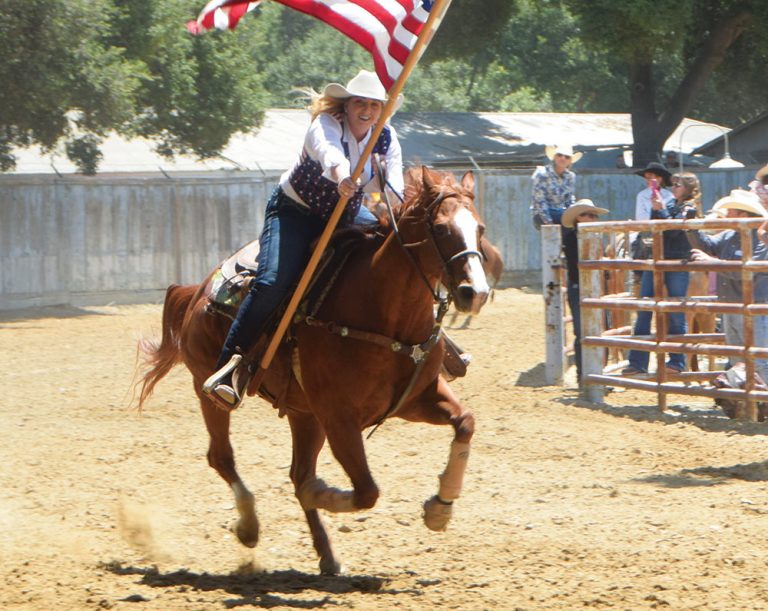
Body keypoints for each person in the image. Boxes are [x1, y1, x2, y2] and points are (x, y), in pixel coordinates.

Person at [204, 69, 404, 408]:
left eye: (374, 104)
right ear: (347, 104)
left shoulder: (386, 138)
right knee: (272, 281)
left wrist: (399, 209)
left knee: (393, 257)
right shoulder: (326, 124)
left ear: (382, 109)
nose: (367, 111)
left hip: (344, 213)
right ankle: (228, 366)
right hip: (295, 212)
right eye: (360, 103)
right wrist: (343, 177)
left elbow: (395, 188)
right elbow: (330, 155)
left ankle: (426, 344)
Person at [622, 172, 698, 376]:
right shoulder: (673, 205)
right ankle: (639, 362)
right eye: (673, 184)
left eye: (678, 185)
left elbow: (672, 230)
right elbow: (657, 227)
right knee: (645, 309)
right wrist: (659, 210)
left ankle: (675, 361)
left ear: (688, 189)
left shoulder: (689, 209)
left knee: (674, 310)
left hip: (674, 261)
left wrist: (660, 210)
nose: (673, 188)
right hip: (660, 259)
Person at [688, 190, 768, 378]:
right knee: (738, 357)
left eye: (731, 211)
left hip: (754, 305)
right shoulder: (730, 236)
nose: (727, 214)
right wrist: (691, 228)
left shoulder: (761, 240)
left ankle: (762, 400)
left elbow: (746, 271)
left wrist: (711, 262)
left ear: (743, 214)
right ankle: (749, 401)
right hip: (733, 305)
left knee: (758, 360)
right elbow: (706, 245)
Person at [560, 199, 609, 383]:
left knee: (599, 330)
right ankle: (584, 374)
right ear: (578, 218)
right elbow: (578, 263)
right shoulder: (572, 238)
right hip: (579, 287)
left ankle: (598, 372)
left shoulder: (594, 236)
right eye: (588, 214)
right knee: (582, 333)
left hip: (594, 288)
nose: (592, 217)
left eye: (593, 215)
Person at [530, 143, 582, 229]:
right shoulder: (542, 173)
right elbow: (539, 201)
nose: (563, 158)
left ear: (570, 161)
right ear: (554, 157)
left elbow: (569, 200)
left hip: (560, 212)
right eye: (559, 155)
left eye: (567, 157)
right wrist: (549, 222)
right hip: (541, 214)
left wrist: (573, 216)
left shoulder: (570, 176)